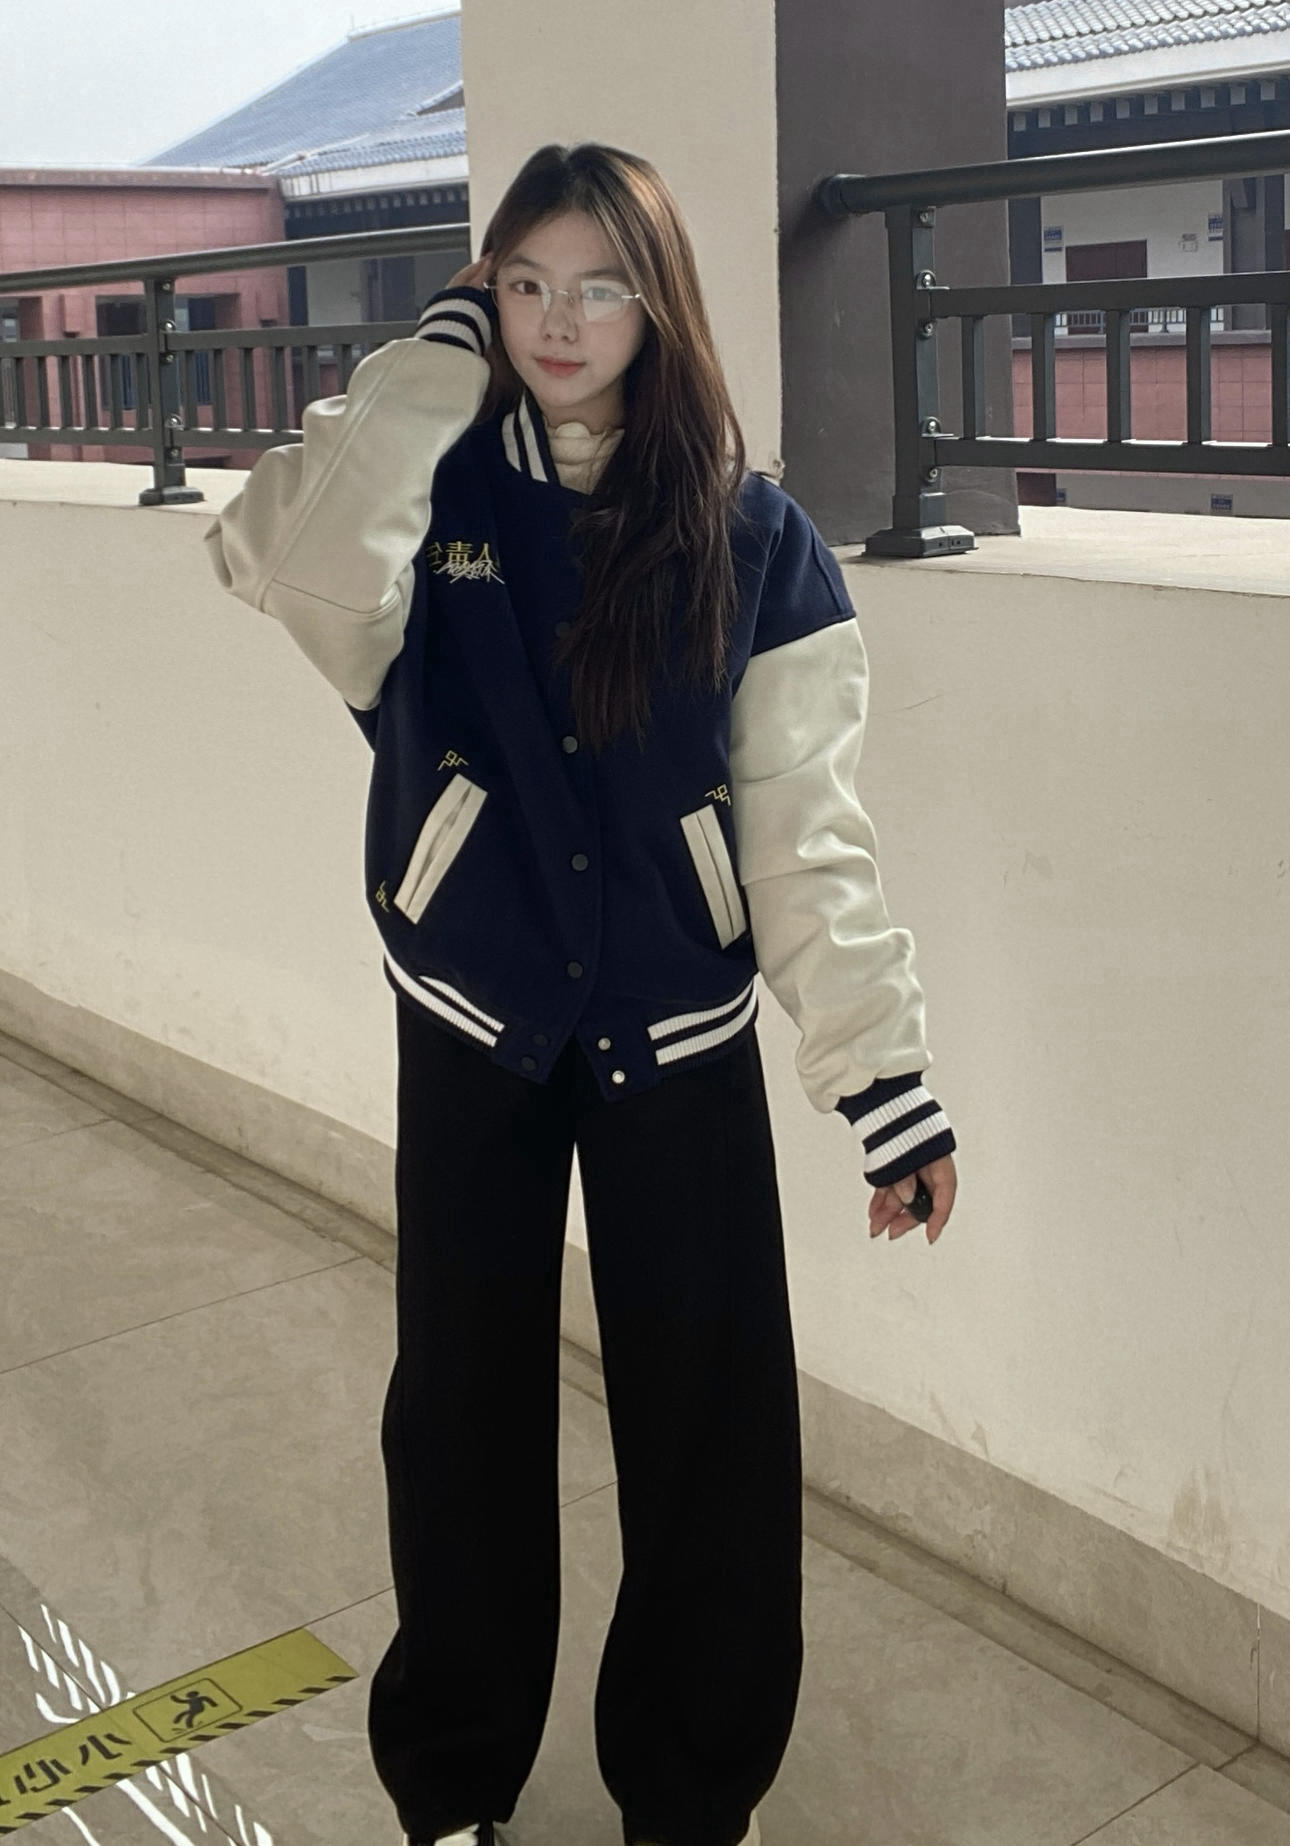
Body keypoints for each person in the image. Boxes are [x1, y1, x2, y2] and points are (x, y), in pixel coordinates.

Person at [206, 142, 958, 1846]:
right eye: (525, 284)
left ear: (657, 304)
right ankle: (451, 1785)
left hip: (674, 1034)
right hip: (471, 1017)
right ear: (483, 294)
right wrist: (427, 375)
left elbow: (805, 841)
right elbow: (282, 566)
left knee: (710, 1428)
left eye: (598, 286)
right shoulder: (421, 498)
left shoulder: (755, 542)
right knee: (460, 1413)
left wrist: (883, 1083)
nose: (560, 320)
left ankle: (686, 1799)